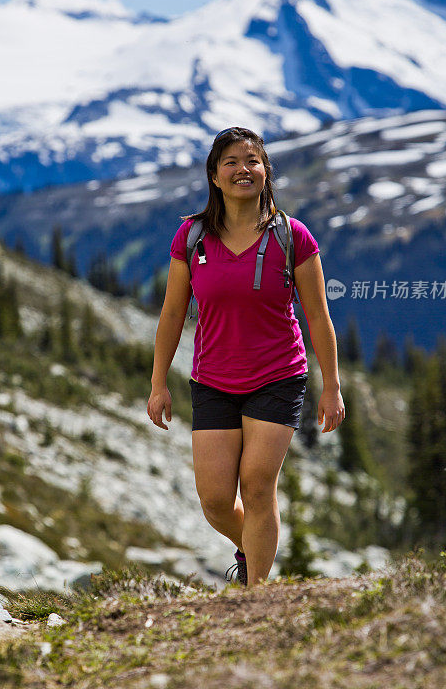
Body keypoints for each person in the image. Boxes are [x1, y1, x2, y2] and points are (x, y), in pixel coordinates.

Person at [147, 126, 345, 589]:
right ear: (214, 176)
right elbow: (173, 312)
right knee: (216, 500)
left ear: (265, 172)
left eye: (252, 161)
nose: (243, 169)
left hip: (278, 375)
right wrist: (158, 384)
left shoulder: (292, 236)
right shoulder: (192, 237)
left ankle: (256, 594)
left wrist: (332, 385)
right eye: (231, 162)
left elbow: (318, 314)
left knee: (257, 485)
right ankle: (255, 549)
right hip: (213, 380)